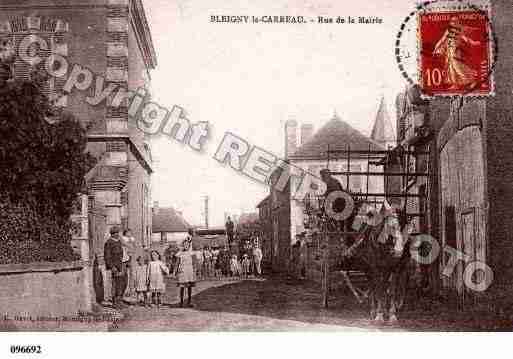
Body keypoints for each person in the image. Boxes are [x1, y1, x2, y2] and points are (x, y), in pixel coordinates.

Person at [104, 226, 125, 308]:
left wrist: (122, 263)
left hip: (120, 265)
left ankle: (119, 300)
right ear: (112, 234)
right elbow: (107, 256)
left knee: (121, 283)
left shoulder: (119, 242)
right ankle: (115, 302)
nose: (117, 234)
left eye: (118, 233)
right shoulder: (108, 243)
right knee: (115, 283)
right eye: (115, 233)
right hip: (114, 266)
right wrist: (112, 267)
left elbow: (121, 253)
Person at [175, 229, 196, 307]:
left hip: (189, 270)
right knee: (182, 287)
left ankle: (189, 301)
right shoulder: (180, 253)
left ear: (189, 245)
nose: (186, 246)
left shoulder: (191, 253)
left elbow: (194, 262)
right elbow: (177, 263)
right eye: (184, 245)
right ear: (183, 245)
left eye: (187, 245)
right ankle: (181, 302)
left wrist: (195, 270)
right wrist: (175, 271)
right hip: (182, 271)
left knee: (189, 287)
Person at [121, 229, 136, 298]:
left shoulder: (131, 238)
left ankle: (131, 290)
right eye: (128, 233)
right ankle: (125, 291)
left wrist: (131, 245)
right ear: (125, 233)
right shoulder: (123, 238)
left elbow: (133, 245)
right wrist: (130, 244)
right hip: (124, 257)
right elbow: (126, 244)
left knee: (131, 273)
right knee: (124, 274)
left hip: (130, 256)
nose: (129, 234)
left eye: (130, 233)